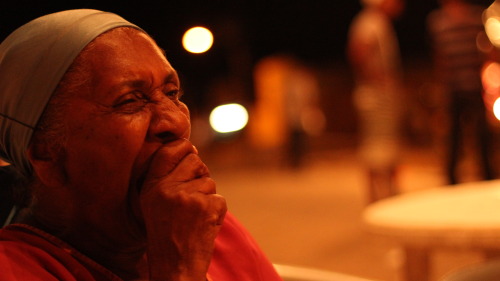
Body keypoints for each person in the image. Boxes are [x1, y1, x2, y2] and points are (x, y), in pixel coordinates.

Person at [0, 9, 283, 281]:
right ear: (47, 153)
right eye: (131, 101)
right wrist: (180, 269)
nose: (175, 122)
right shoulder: (13, 268)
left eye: (172, 93)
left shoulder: (211, 229)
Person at [427, 0, 494, 185]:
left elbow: (485, 52)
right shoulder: (437, 21)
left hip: (473, 86)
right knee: (454, 138)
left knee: (482, 136)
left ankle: (488, 179)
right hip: (453, 88)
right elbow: (439, 58)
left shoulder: (476, 17)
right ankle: (451, 182)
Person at [347, 0, 405, 203]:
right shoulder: (371, 22)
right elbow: (359, 50)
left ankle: (385, 192)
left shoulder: (376, 22)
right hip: (375, 95)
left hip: (378, 93)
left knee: (383, 142)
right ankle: (377, 196)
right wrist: (377, 78)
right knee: (377, 143)